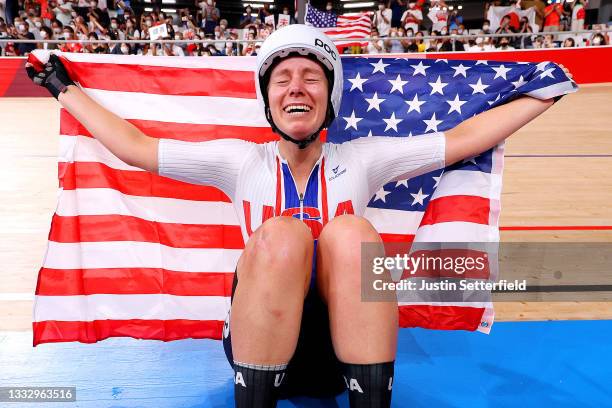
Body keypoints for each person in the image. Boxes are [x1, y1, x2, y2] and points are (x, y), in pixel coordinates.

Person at [26, 24, 573, 408]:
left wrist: (543, 96)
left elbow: (461, 140)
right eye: (282, 77)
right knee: (285, 235)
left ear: (329, 98)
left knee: (353, 232)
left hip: (345, 353)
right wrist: (61, 88)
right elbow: (136, 148)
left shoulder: (363, 157)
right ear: (268, 100)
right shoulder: (239, 161)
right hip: (259, 348)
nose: (296, 86)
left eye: (310, 77)